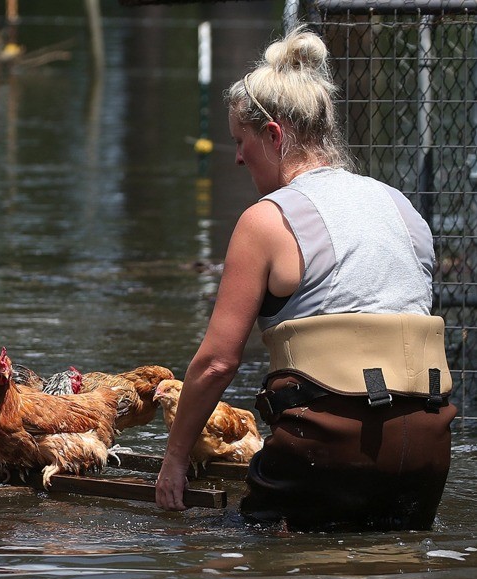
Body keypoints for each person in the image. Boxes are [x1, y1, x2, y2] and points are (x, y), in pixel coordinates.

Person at [155, 26, 456, 531]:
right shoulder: (402, 209)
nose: (236, 157)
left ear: (273, 135)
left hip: (326, 453)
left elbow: (216, 363)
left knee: (236, 560)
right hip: (428, 454)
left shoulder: (266, 220)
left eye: (240, 141)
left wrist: (175, 460)